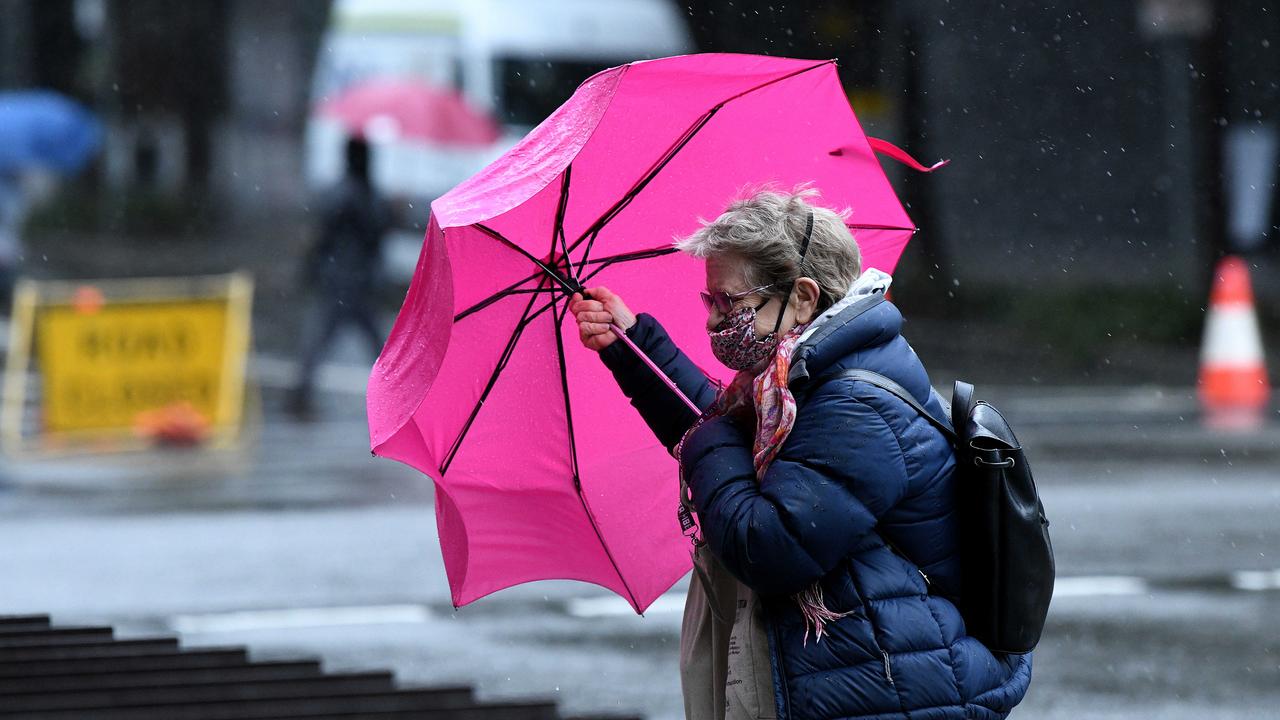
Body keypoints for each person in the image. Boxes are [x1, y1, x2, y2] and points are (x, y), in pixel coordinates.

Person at [569, 188, 1030, 720]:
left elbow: (767, 545)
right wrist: (633, 346)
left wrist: (706, 437)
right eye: (708, 301)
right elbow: (728, 440)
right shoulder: (798, 382)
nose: (713, 323)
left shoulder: (857, 402)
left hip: (895, 691)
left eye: (730, 303)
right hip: (861, 675)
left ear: (804, 298)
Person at [289, 135, 390, 419]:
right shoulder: (367, 195)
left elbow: (321, 238)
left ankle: (300, 394)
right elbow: (375, 235)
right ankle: (398, 394)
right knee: (377, 346)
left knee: (320, 340)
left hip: (338, 280)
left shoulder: (340, 193)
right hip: (356, 281)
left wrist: (309, 268)